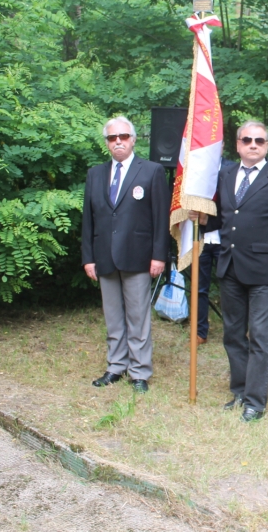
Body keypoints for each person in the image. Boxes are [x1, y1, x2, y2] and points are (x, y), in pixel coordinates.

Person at [201, 121, 268, 422]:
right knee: (232, 335)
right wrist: (200, 218)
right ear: (238, 144)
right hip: (230, 267)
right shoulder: (226, 175)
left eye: (259, 140)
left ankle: (255, 402)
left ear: (266, 145)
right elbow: (223, 219)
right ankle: (240, 391)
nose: (253, 144)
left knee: (260, 337)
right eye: (247, 140)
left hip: (265, 272)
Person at [82, 116, 170, 394]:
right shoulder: (95, 174)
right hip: (104, 255)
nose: (118, 141)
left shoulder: (152, 171)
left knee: (138, 317)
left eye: (123, 136)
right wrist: (88, 258)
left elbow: (161, 218)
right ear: (107, 142)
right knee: (113, 316)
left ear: (133, 139)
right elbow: (88, 220)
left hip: (139, 256)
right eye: (112, 137)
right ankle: (115, 366)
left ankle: (139, 372)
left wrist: (159, 255)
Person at [196, 157, 235, 345]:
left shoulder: (232, 169)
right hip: (200, 237)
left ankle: (234, 332)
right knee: (199, 287)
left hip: (224, 237)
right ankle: (200, 332)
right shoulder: (196, 167)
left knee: (230, 288)